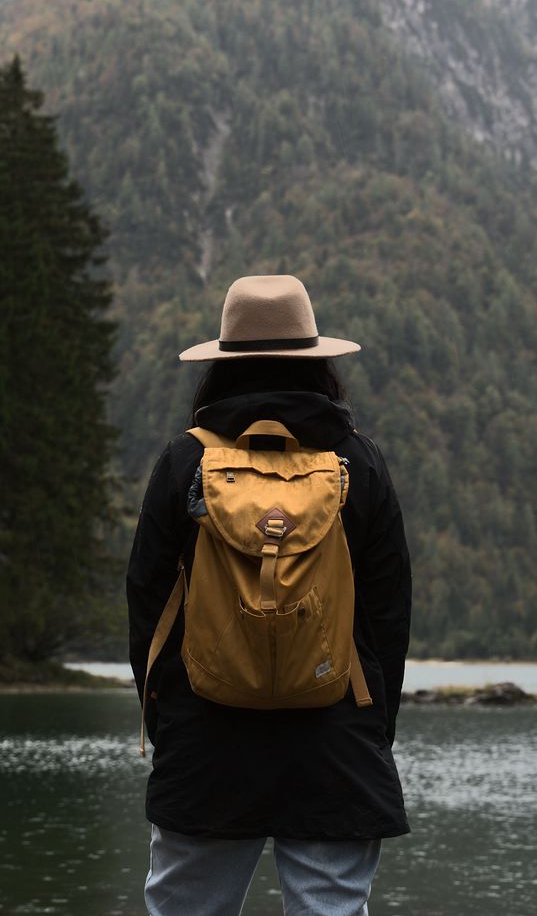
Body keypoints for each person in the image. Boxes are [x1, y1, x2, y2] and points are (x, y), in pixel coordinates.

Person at [127, 274, 411, 916]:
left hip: (205, 740)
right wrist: (371, 729)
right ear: (319, 363)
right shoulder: (358, 462)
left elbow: (146, 603)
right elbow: (389, 612)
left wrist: (169, 726)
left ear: (221, 368)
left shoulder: (184, 462)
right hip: (335, 737)